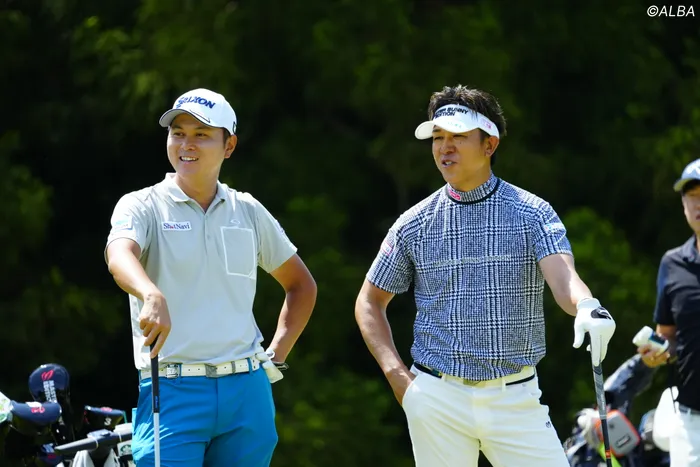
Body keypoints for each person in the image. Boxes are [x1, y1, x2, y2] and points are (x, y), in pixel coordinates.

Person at [354, 84, 617, 467]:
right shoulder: (414, 223)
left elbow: (563, 278)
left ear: (489, 144)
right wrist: (398, 377)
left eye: (458, 137)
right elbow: (369, 301)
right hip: (436, 397)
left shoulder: (532, 213)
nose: (445, 148)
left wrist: (587, 305)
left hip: (515, 400)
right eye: (438, 138)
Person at [104, 88, 317, 467]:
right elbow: (120, 254)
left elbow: (301, 286)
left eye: (201, 134)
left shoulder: (247, 210)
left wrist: (274, 358)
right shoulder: (141, 205)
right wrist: (150, 293)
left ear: (228, 145)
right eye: (178, 133)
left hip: (247, 391)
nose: (187, 144)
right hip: (172, 388)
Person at [639, 158, 700, 467]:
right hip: (690, 420)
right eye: (691, 195)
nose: (698, 203)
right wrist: (658, 352)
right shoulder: (672, 264)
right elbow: (668, 336)